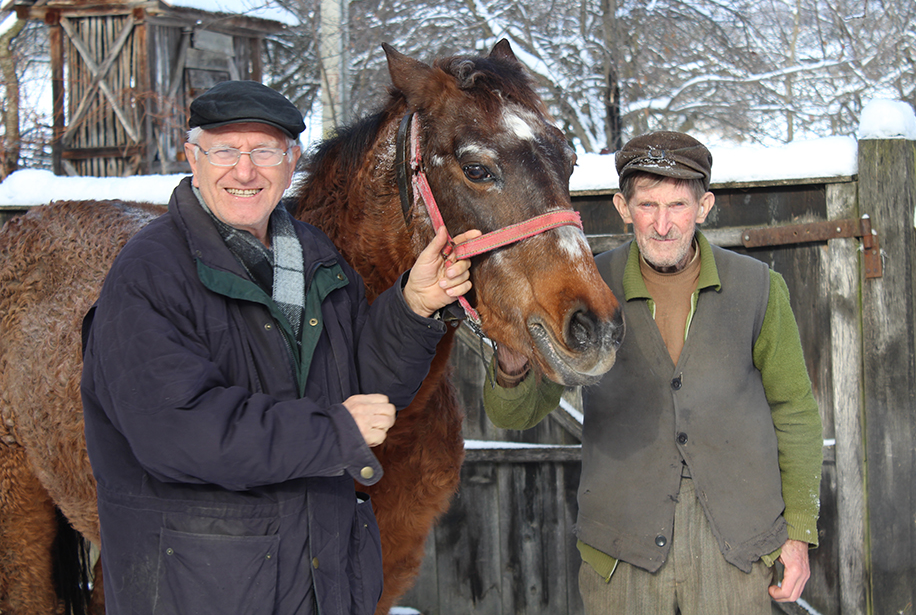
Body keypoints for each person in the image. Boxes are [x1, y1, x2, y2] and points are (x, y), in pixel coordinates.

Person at [81, 80, 477, 615]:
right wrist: (333, 431)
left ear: (291, 162)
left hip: (314, 580)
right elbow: (178, 432)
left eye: (264, 151)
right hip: (201, 590)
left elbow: (362, 391)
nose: (245, 171)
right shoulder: (149, 274)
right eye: (225, 150)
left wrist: (412, 306)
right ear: (192, 157)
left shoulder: (316, 256)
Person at [483, 131, 823, 613]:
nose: (663, 225)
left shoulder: (759, 289)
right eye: (647, 205)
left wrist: (800, 533)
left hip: (737, 549)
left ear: (704, 206)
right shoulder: (585, 288)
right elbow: (515, 414)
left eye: (678, 205)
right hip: (623, 554)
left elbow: (795, 412)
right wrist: (513, 361)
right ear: (623, 207)